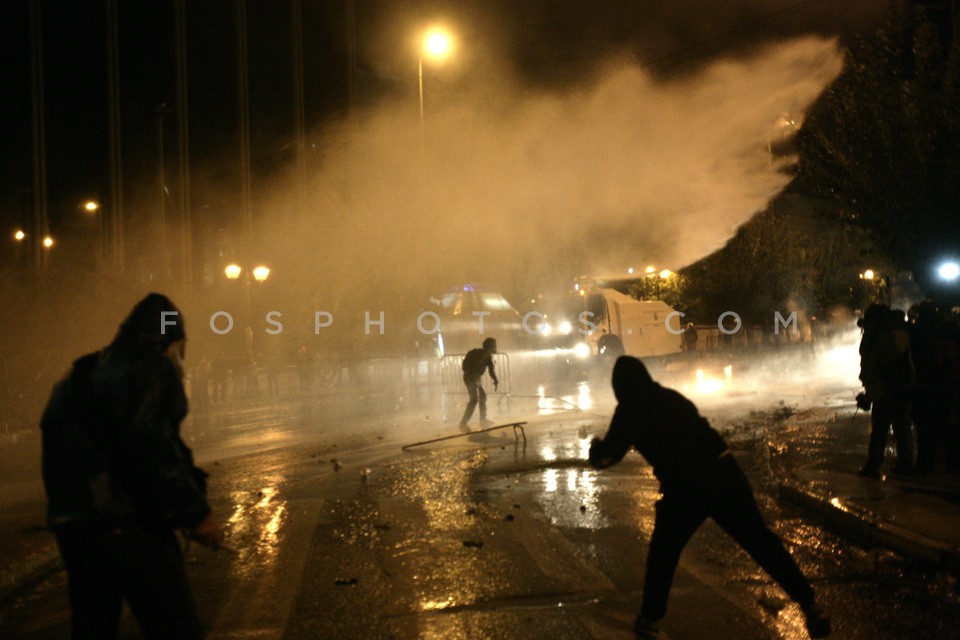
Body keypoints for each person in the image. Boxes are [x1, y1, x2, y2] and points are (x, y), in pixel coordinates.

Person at [589, 356, 831, 639]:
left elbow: (609, 455)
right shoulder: (670, 397)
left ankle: (651, 619)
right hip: (725, 472)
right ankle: (810, 605)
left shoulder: (629, 410)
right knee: (761, 542)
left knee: (663, 554)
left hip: (685, 487)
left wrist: (596, 450)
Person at [40, 293, 222, 640]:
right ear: (167, 341)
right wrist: (195, 513)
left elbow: (56, 449)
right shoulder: (153, 367)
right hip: (131, 527)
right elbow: (152, 444)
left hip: (76, 530)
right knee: (175, 627)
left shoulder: (79, 371)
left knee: (93, 627)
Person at [857, 304, 915, 476]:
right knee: (902, 427)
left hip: (887, 389)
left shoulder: (879, 337)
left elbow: (877, 367)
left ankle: (873, 464)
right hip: (903, 387)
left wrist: (870, 393)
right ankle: (905, 463)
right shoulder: (901, 333)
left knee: (880, 428)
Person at [459, 337, 499, 430]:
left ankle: (483, 419)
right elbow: (491, 370)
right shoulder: (487, 355)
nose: (496, 347)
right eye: (494, 346)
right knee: (474, 399)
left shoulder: (476, 352)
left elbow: (464, 366)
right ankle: (463, 423)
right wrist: (495, 380)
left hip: (470, 377)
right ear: (490, 347)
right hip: (472, 378)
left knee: (482, 396)